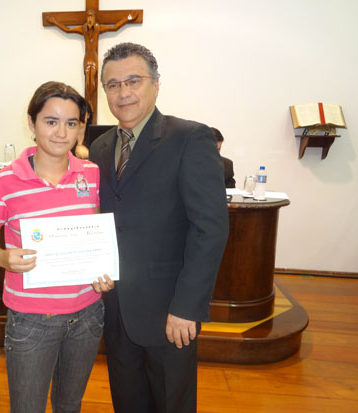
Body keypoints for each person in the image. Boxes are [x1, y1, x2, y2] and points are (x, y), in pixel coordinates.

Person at [89, 43, 229, 412]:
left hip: (170, 309)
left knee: (172, 402)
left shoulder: (190, 138)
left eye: (133, 81)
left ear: (156, 84)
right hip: (116, 305)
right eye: (113, 84)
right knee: (128, 400)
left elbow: (209, 229)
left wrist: (188, 306)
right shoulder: (100, 146)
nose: (123, 93)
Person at [0, 81, 114, 413]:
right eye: (51, 121)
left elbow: (100, 235)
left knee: (69, 405)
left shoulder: (93, 176)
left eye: (72, 123)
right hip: (32, 320)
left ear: (81, 128)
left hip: (88, 314)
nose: (61, 133)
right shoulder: (4, 182)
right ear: (32, 123)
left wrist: (105, 270)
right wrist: (3, 257)